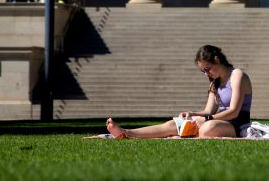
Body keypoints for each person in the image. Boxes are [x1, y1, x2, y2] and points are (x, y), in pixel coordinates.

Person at [105, 45, 253, 139]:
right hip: (217, 120)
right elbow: (208, 110)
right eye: (203, 71)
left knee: (208, 128)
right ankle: (127, 133)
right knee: (174, 123)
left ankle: (189, 133)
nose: (206, 74)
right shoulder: (215, 81)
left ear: (216, 59)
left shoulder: (237, 75)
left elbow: (234, 112)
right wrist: (193, 114)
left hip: (236, 124)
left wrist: (207, 119)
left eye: (207, 69)